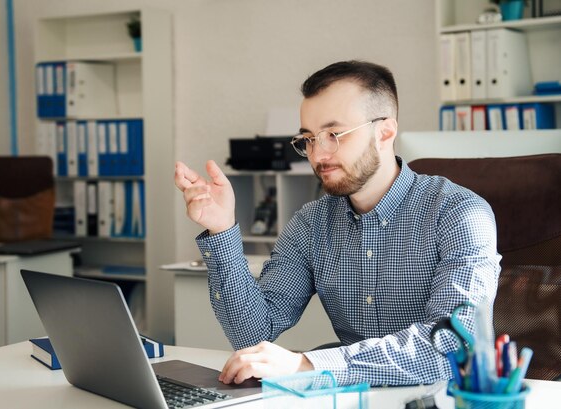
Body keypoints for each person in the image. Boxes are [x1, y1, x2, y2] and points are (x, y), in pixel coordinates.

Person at [174, 60, 500, 387]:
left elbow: (451, 347)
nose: (318, 155)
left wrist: (307, 365)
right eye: (309, 139)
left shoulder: (460, 213)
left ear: (384, 132)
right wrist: (222, 229)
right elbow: (254, 333)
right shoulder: (310, 223)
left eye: (333, 134)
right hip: (349, 397)